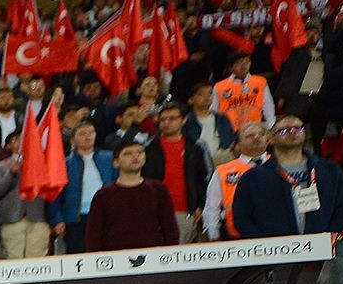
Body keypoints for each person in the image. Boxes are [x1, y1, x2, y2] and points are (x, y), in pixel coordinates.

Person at [229, 116, 343, 239]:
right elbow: (242, 217)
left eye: (298, 128)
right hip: (274, 253)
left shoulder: (329, 169)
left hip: (320, 249)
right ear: (271, 139)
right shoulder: (253, 177)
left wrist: (329, 235)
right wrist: (265, 244)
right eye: (284, 130)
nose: (293, 132)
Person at [86, 139, 180, 251]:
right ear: (116, 162)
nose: (135, 156)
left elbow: (170, 228)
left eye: (140, 152)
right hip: (115, 259)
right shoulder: (103, 195)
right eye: (128, 153)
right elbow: (93, 235)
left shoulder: (159, 190)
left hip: (154, 257)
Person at [142, 102, 213, 242]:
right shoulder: (148, 148)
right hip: (155, 212)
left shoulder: (197, 147)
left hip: (186, 210)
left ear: (184, 120)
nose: (167, 123)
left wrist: (200, 206)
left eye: (172, 118)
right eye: (163, 119)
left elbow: (207, 178)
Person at [204, 122, 271, 241]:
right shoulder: (223, 171)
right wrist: (214, 237)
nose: (256, 137)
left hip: (279, 235)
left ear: (268, 140)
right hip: (236, 238)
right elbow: (212, 208)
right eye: (249, 135)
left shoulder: (281, 165)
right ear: (238, 145)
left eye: (261, 134)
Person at [58, 121, 115, 252]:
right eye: (83, 133)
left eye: (91, 132)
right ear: (73, 140)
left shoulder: (110, 158)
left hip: (106, 215)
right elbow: (56, 195)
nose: (88, 136)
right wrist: (58, 219)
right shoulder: (65, 164)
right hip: (76, 218)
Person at [213, 52, 274, 129]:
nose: (243, 65)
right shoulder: (220, 86)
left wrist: (270, 126)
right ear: (231, 67)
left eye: (247, 61)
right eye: (239, 62)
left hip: (254, 129)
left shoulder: (260, 82)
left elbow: (268, 105)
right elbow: (214, 109)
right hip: (229, 130)